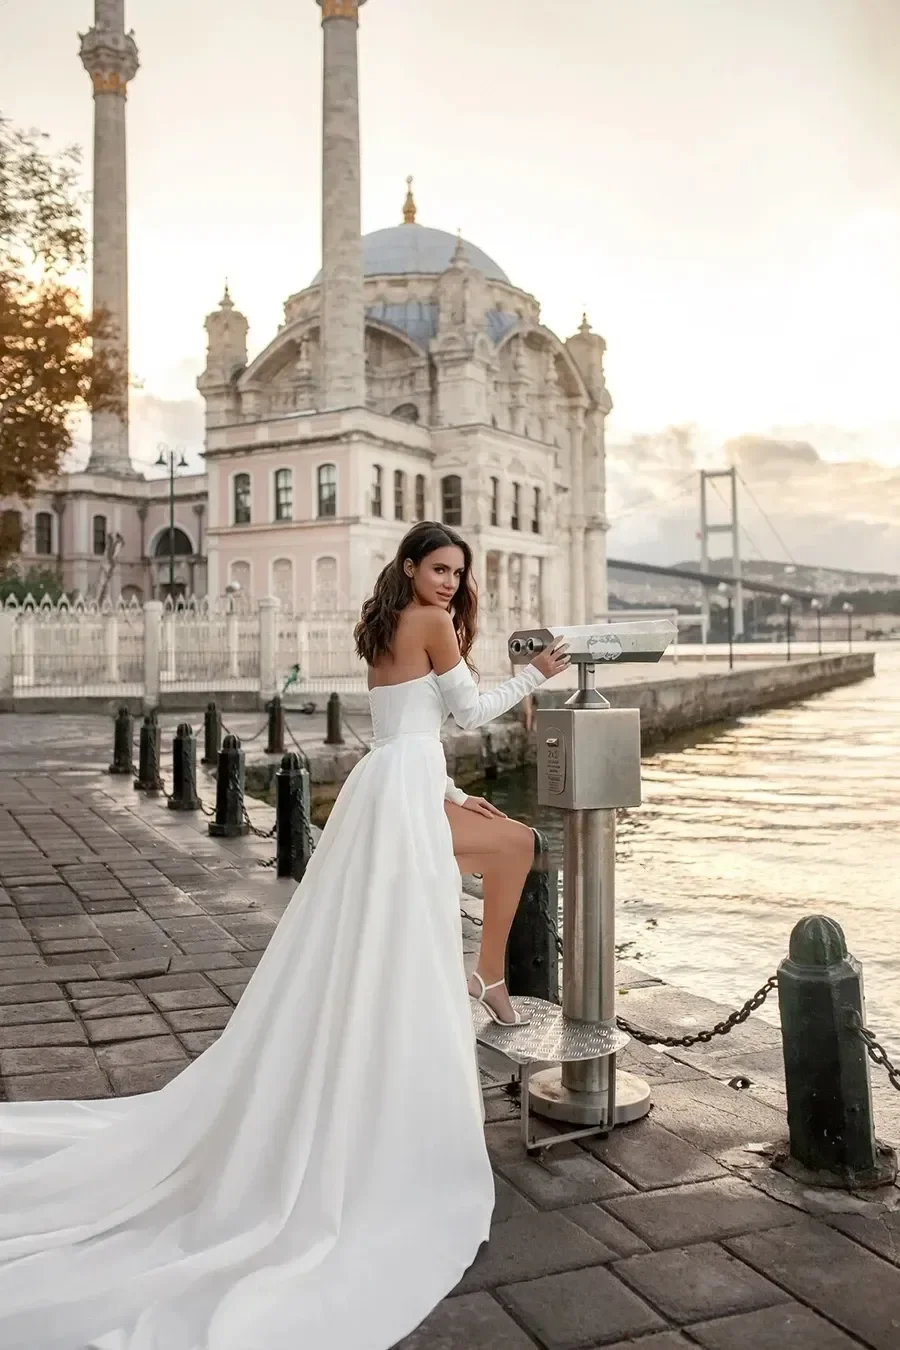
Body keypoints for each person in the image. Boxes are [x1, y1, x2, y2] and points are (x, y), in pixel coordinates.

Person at [0, 521, 568, 1350]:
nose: (450, 583)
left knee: (461, 875)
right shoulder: (431, 622)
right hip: (403, 791)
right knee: (511, 851)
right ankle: (483, 980)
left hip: (398, 784)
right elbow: (470, 711)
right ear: (412, 567)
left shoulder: (383, 622)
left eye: (458, 573)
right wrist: (535, 673)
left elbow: (408, 723)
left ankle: (481, 979)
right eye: (440, 568)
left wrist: (453, 791)